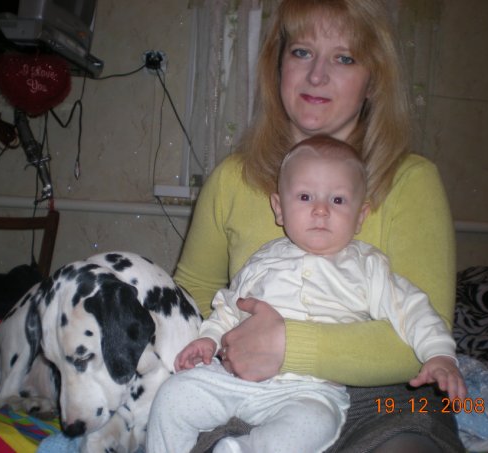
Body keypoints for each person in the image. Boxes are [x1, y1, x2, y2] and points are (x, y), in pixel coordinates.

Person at [153, 0, 465, 451]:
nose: (317, 75)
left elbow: (421, 337)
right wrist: (205, 345)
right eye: (301, 52)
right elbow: (192, 297)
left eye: (344, 58)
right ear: (278, 65)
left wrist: (286, 346)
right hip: (243, 383)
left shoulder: (411, 181)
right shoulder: (232, 178)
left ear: (373, 80)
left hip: (384, 396)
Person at [146, 136, 466, 453]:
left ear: (360, 216)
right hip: (235, 379)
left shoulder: (369, 267)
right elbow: (230, 307)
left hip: (310, 391)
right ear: (279, 209)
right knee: (174, 396)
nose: (321, 210)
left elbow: (414, 310)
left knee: (313, 424)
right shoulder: (262, 259)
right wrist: (209, 339)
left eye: (337, 200)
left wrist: (439, 354)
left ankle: (242, 449)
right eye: (304, 196)